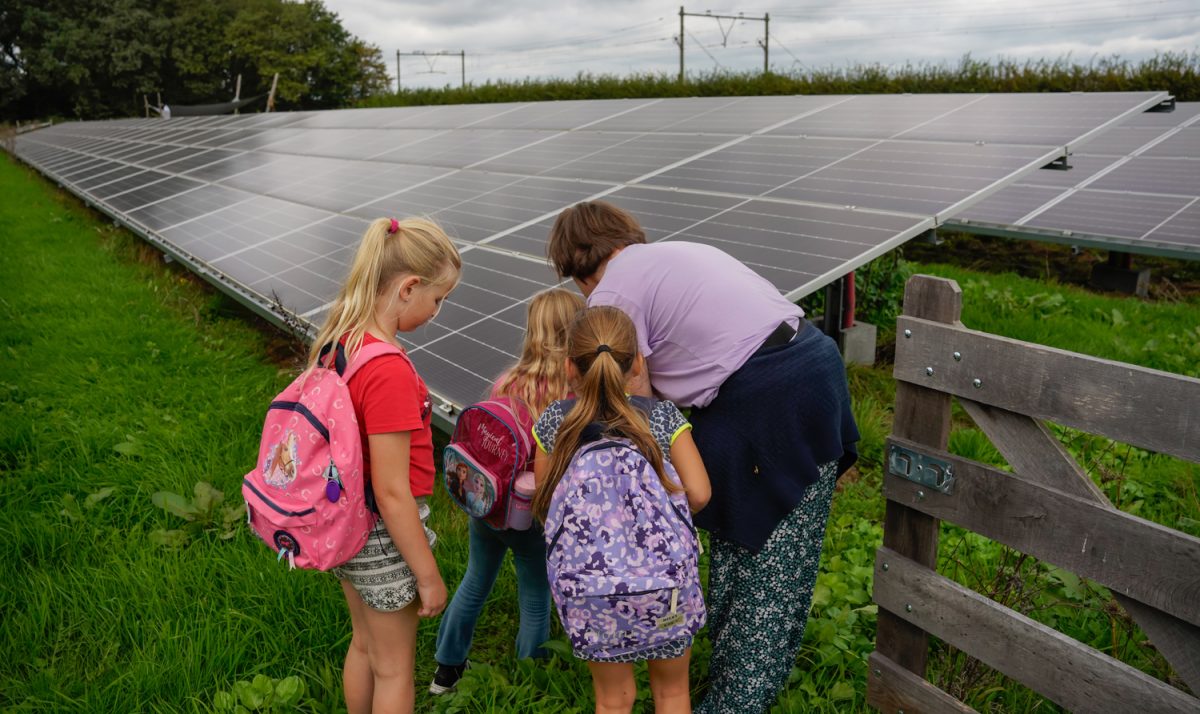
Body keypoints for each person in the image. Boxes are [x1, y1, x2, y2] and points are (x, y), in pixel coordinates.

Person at [547, 201, 859, 714]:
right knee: (764, 552)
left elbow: (635, 397)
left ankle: (737, 699)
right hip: (809, 369)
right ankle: (729, 685)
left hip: (767, 397)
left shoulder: (613, 293)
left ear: (576, 270)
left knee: (766, 564)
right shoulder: (675, 254)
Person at [309, 216, 461, 714]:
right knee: (395, 667)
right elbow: (392, 490)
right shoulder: (390, 369)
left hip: (346, 520)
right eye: (437, 299)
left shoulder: (343, 344)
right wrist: (428, 575)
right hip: (382, 530)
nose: (437, 311)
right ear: (408, 288)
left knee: (364, 644)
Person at [531, 305, 711, 714]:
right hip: (665, 586)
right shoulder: (661, 419)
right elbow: (699, 492)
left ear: (569, 367)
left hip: (591, 591)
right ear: (638, 363)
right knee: (672, 693)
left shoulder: (555, 424)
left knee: (613, 700)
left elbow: (544, 501)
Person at [430, 288, 584, 694]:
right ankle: (530, 681)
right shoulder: (572, 398)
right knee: (535, 598)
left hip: (487, 505)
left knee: (475, 580)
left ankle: (445, 670)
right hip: (532, 515)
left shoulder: (507, 381)